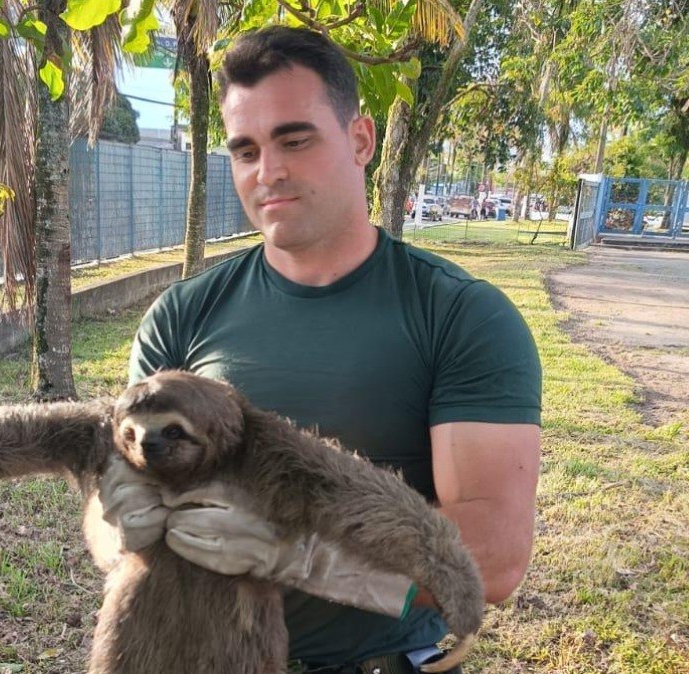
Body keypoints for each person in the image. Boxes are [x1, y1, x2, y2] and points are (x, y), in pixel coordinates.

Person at [100, 26, 541, 674]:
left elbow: (495, 555)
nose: (268, 171)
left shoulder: (460, 316)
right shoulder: (182, 316)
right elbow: (118, 509)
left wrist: (287, 551)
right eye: (245, 149)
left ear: (360, 139)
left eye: (294, 139)